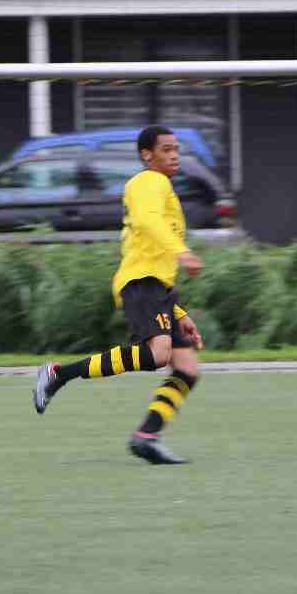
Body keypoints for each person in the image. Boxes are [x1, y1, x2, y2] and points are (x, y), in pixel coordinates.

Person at [33, 125, 205, 465]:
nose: (174, 155)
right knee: (158, 355)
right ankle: (58, 374)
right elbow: (147, 221)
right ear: (146, 155)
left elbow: (153, 253)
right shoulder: (148, 181)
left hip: (156, 287)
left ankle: (147, 437)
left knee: (187, 368)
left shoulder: (162, 187)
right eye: (166, 149)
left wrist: (179, 314)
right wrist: (182, 251)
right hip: (141, 283)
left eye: (176, 149)